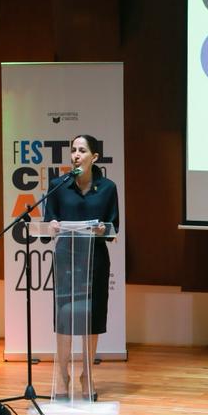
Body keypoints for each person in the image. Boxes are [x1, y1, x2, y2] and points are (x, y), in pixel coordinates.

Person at [43, 134, 120, 400]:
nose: (76, 155)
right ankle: (62, 373)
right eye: (73, 150)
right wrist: (52, 225)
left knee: (92, 317)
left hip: (95, 260)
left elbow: (113, 227)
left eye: (82, 150)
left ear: (94, 157)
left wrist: (102, 229)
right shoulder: (58, 186)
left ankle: (87, 374)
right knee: (64, 316)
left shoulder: (108, 188)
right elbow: (48, 223)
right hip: (67, 259)